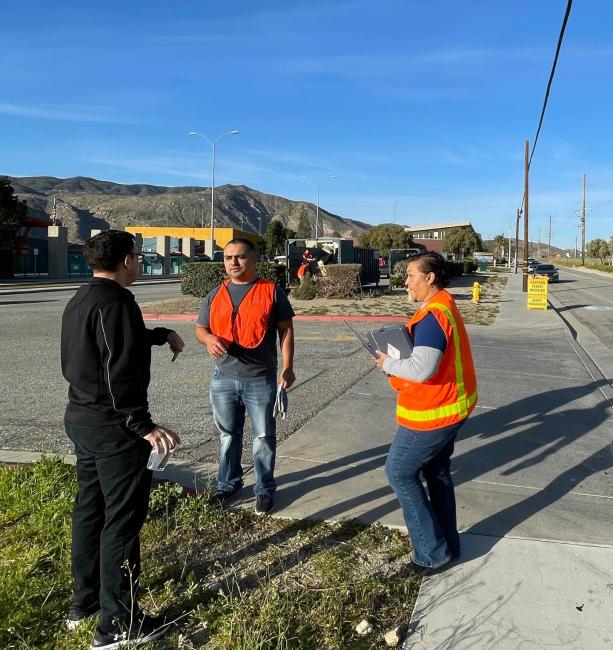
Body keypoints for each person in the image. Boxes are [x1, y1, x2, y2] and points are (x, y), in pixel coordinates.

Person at [61, 230, 184, 648]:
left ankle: (85, 604)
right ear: (128, 261)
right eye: (138, 257)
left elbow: (110, 346)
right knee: (122, 522)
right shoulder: (117, 302)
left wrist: (160, 333)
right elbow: (119, 374)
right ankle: (118, 625)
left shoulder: (84, 298)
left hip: (82, 420)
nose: (139, 263)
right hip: (114, 429)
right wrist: (143, 426)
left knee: (90, 510)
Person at [374, 252, 477, 574]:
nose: (406, 281)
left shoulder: (433, 315)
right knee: (436, 473)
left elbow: (421, 369)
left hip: (431, 412)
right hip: (450, 407)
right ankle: (448, 543)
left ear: (430, 277)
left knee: (400, 473)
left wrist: (387, 364)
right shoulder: (443, 305)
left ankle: (431, 554)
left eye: (410, 275)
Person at [195, 238, 295, 516]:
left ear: (254, 259)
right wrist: (208, 339)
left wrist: (287, 367)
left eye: (239, 257)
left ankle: (264, 489)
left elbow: (285, 331)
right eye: (228, 258)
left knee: (263, 436)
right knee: (228, 435)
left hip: (260, 379)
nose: (233, 263)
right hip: (223, 377)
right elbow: (200, 328)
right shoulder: (215, 294)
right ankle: (228, 483)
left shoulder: (272, 292)